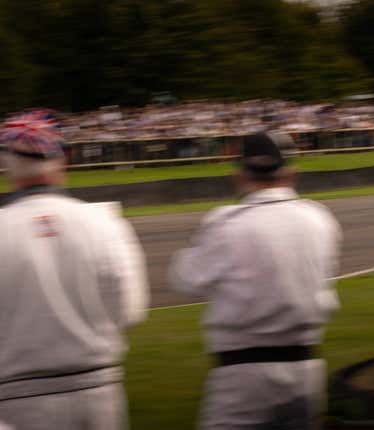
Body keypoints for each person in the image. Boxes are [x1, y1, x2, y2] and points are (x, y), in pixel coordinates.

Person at [169, 132, 342, 429]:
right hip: (306, 368)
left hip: (243, 374)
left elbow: (185, 279)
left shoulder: (225, 223)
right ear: (291, 173)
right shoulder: (319, 218)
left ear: (240, 175)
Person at [0, 111, 149, 430]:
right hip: (99, 391)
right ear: (61, 158)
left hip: (18, 397)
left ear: (8, 162)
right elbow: (130, 311)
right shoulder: (104, 223)